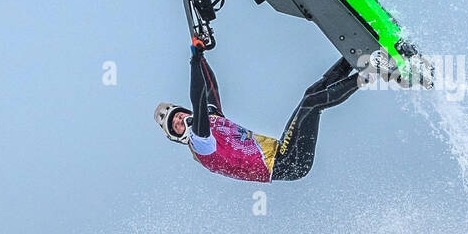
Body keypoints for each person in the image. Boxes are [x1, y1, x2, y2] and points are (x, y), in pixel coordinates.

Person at [154, 40, 363, 182]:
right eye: (176, 125)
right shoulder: (200, 144)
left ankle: (355, 54)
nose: (180, 119)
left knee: (311, 94)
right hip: (288, 164)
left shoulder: (211, 119)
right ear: (178, 136)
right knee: (312, 103)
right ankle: (373, 72)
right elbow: (198, 99)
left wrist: (200, 52)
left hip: (282, 150)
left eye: (178, 115)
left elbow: (210, 89)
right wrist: (194, 61)